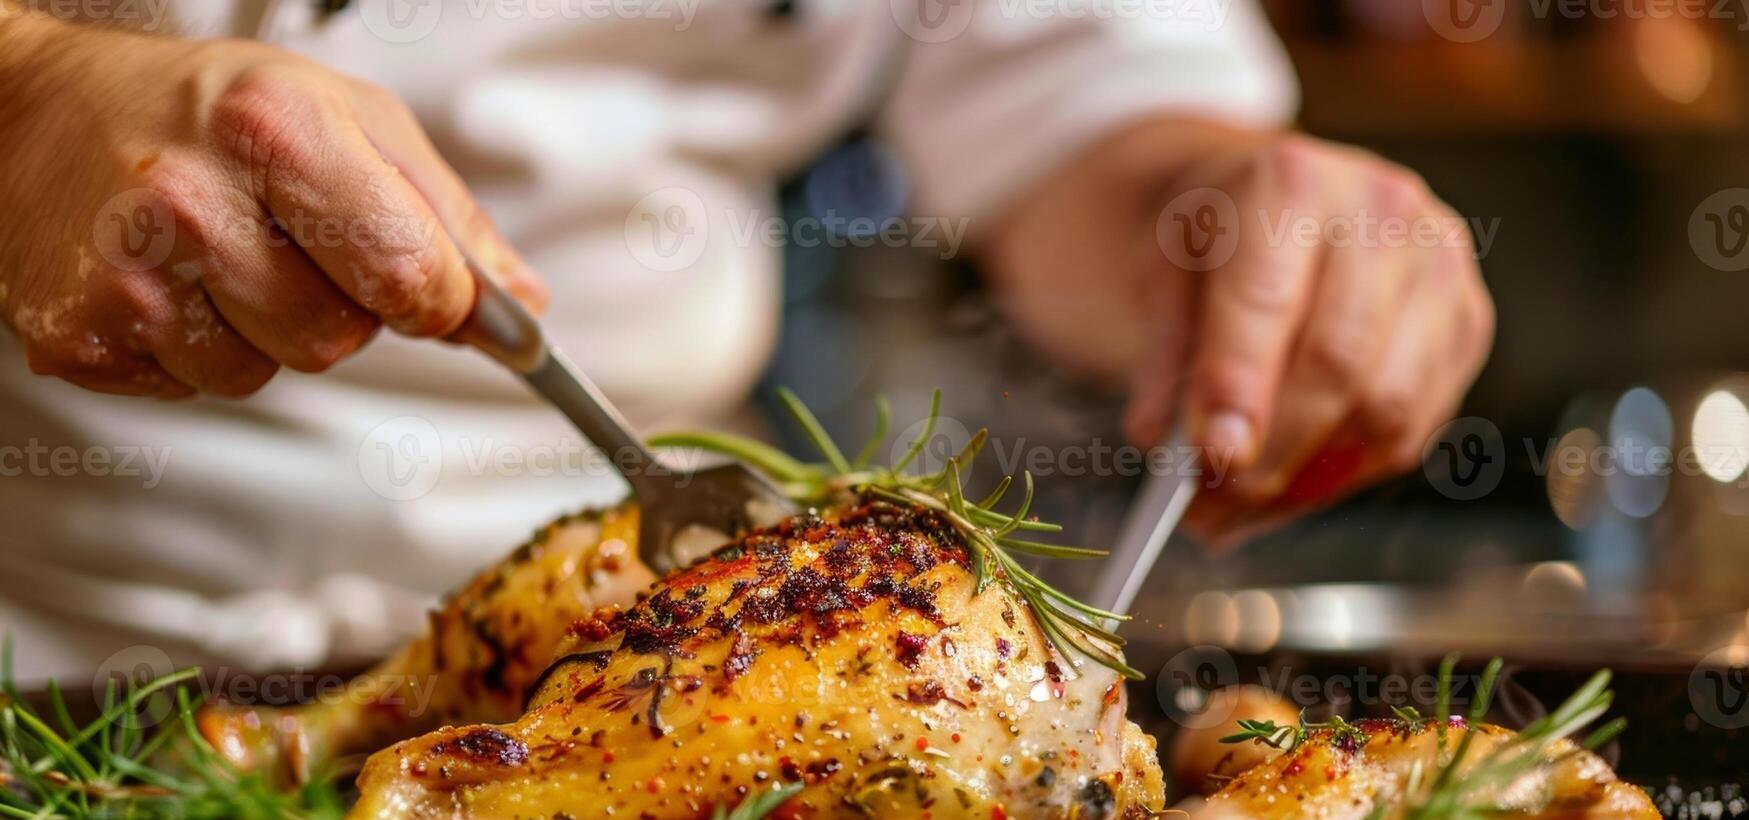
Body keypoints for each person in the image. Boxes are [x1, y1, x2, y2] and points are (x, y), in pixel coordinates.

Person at [0, 1, 1492, 680]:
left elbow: (1084, 129)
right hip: (42, 640)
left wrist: (1221, 210)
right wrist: (32, 86)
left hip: (628, 620)